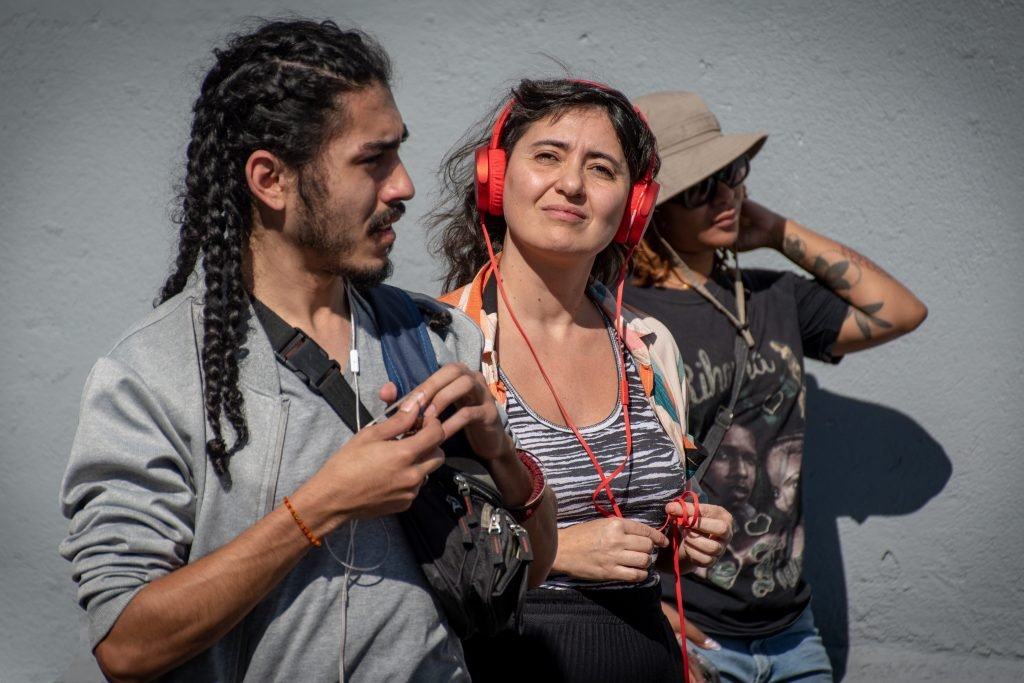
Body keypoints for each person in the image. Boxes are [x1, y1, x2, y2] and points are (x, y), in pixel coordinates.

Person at [58, 20, 556, 682]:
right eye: (372, 160)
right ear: (270, 178)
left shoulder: (435, 340)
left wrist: (503, 455)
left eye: (398, 155)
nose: (404, 185)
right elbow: (125, 645)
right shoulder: (152, 373)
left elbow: (528, 569)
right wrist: (321, 504)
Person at [430, 78, 734, 683]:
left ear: (634, 206)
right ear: (496, 176)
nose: (571, 184)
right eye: (548, 156)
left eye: (601, 168)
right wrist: (560, 552)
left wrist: (689, 527)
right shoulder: (437, 344)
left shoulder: (649, 346)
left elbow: (649, 515)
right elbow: (402, 546)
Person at [624, 90, 928, 682]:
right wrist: (643, 611)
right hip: (688, 632)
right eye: (697, 188)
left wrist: (772, 229)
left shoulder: (772, 297)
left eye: (731, 175)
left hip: (793, 633)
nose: (724, 197)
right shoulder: (622, 317)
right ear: (650, 207)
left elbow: (900, 311)